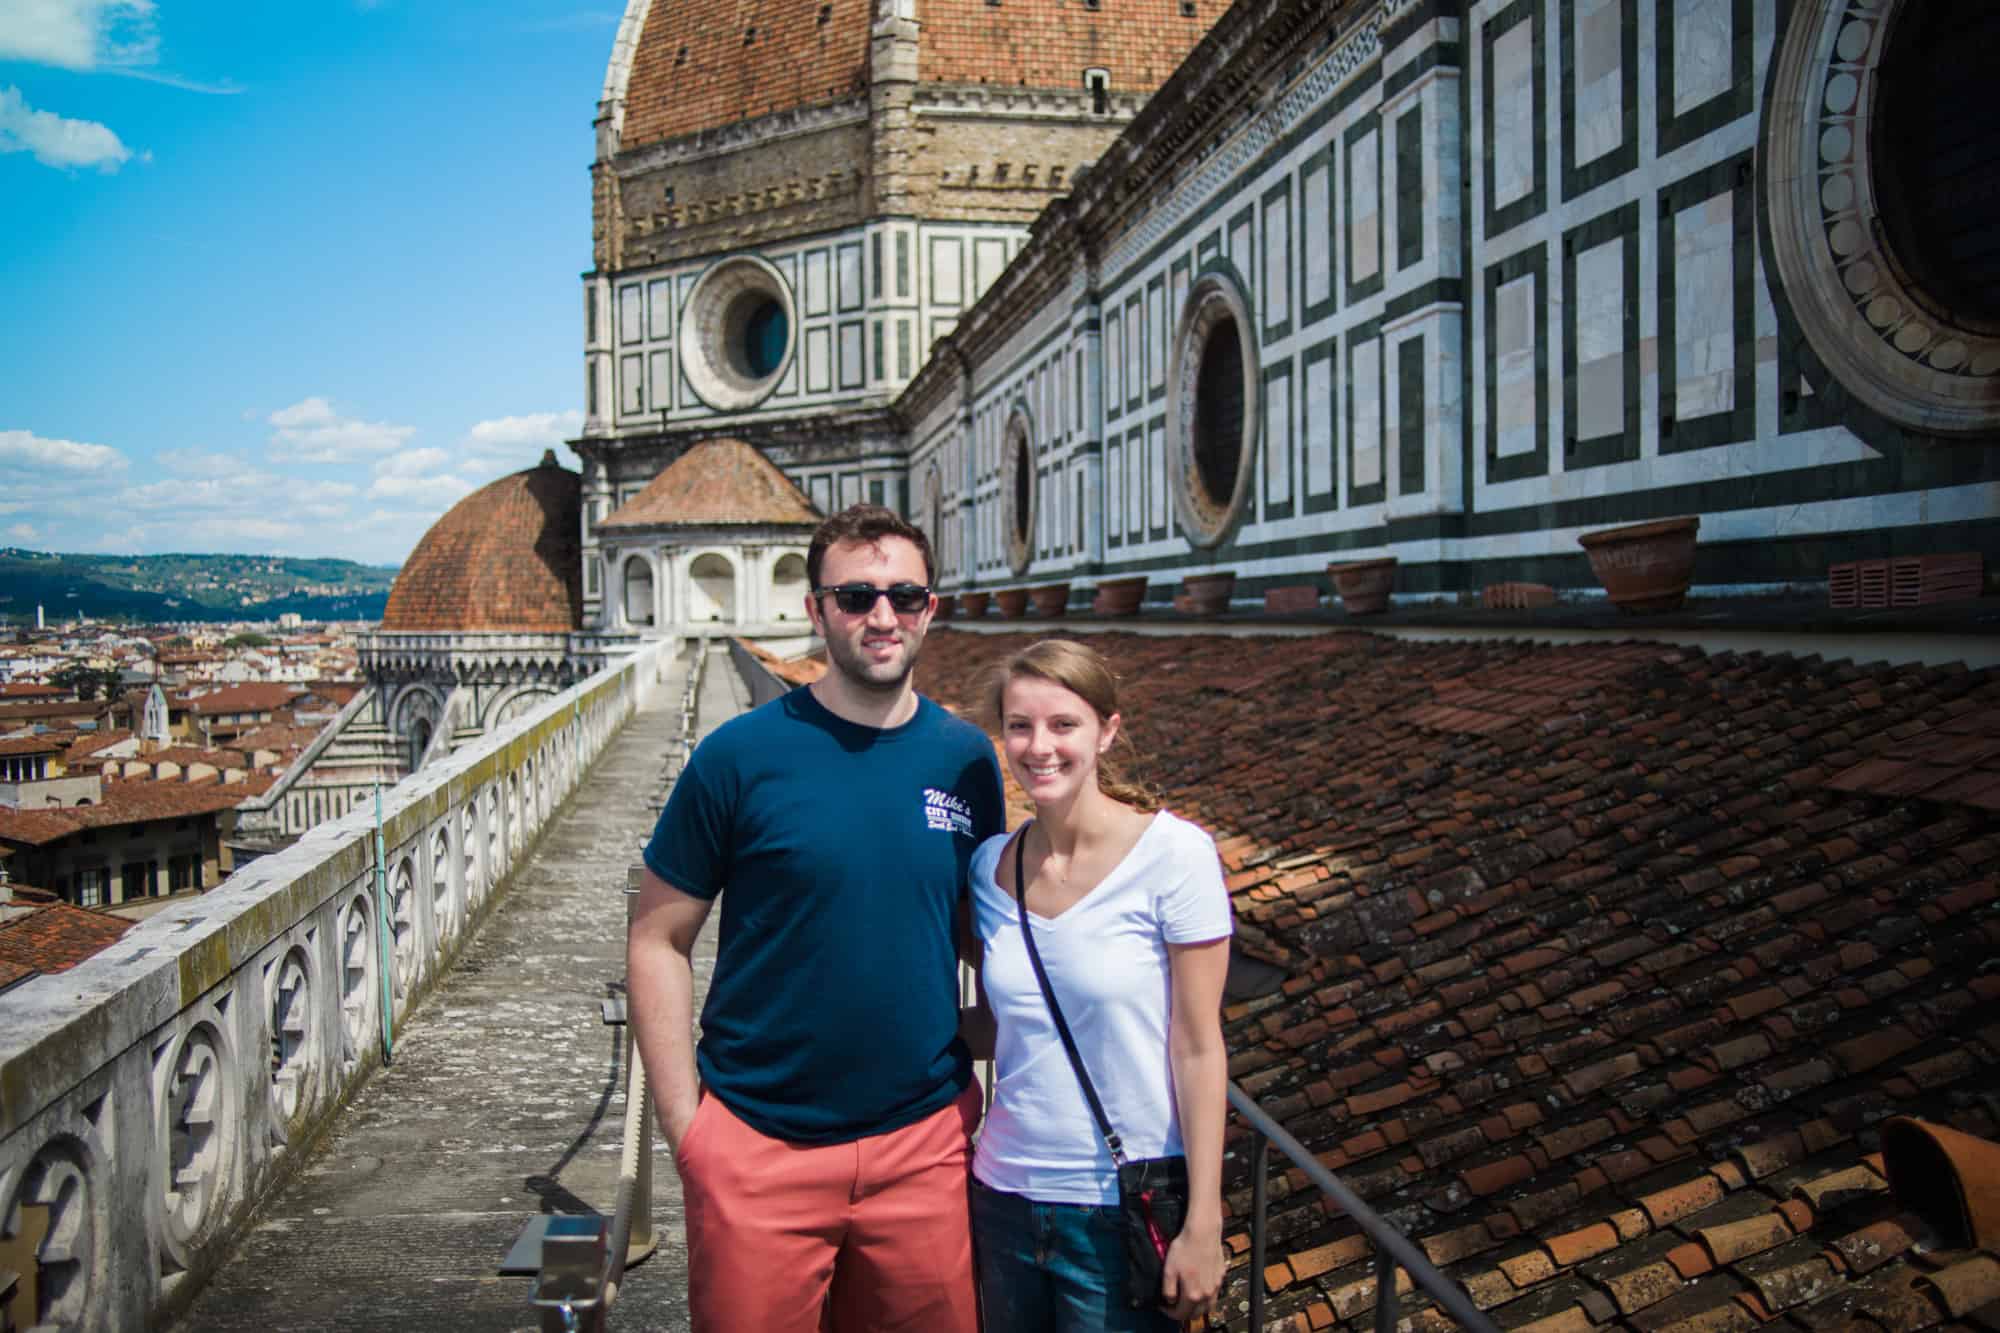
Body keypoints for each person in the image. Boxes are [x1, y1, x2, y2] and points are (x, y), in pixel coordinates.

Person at [627, 504, 1004, 1332]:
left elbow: (984, 938)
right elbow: (658, 936)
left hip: (925, 1147)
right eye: (856, 596)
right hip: (758, 1148)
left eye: (905, 596)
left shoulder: (968, 761)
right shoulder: (740, 754)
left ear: (930, 609)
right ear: (816, 610)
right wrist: (688, 1128)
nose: (882, 616)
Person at [964, 638, 1231, 1331]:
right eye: (1019, 725)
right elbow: (1007, 1024)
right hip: (1001, 1196)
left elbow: (1199, 1048)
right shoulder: (990, 868)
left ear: (1107, 731)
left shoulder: (1176, 856)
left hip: (1119, 1208)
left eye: (1063, 724)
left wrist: (1204, 1220)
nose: (1038, 745)